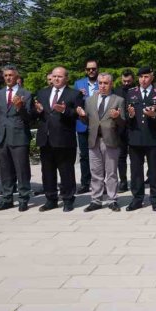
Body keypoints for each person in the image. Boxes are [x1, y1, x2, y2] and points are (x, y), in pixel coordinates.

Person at [0, 65, 33, 211]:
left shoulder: (26, 94)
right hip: (1, 136)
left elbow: (29, 117)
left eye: (11, 75)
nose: (8, 78)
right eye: (5, 75)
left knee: (22, 169)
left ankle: (23, 198)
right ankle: (7, 198)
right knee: (5, 169)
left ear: (17, 77)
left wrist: (19, 107)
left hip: (19, 136)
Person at [32, 66, 82, 212]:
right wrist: (38, 111)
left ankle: (68, 199)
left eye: (59, 76)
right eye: (54, 76)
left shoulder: (74, 94)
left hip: (64, 139)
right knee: (47, 171)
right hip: (45, 138)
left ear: (66, 78)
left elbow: (78, 114)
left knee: (66, 170)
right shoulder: (42, 93)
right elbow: (35, 114)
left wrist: (65, 110)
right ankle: (51, 199)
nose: (56, 79)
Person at [76, 72, 125, 212]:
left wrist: (117, 118)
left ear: (111, 84)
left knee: (111, 173)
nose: (102, 86)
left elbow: (123, 123)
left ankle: (112, 199)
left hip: (110, 140)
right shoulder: (89, 100)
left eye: (106, 83)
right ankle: (96, 200)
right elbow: (87, 121)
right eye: (100, 83)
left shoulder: (118, 100)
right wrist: (82, 116)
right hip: (93, 140)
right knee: (95, 172)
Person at [124, 67, 156, 211]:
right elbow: (126, 116)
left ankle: (155, 199)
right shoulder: (131, 93)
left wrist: (154, 115)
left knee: (155, 170)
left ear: (152, 77)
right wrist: (130, 115)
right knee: (136, 170)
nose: (143, 79)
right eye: (141, 77)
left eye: (146, 76)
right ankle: (137, 198)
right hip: (135, 137)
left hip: (153, 137)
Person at [73, 59, 99, 195]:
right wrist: (80, 96)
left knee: (100, 155)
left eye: (93, 68)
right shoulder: (78, 84)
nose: (91, 71)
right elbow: (73, 103)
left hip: (98, 125)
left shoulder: (103, 82)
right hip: (83, 124)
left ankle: (100, 182)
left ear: (97, 69)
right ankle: (85, 183)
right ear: (85, 70)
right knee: (84, 156)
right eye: (88, 69)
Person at [117, 69, 135, 192]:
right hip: (120, 128)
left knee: (135, 157)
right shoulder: (116, 91)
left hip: (134, 127)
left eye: (129, 81)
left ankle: (135, 181)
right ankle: (123, 181)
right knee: (121, 157)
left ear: (132, 80)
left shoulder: (136, 91)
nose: (126, 83)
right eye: (124, 81)